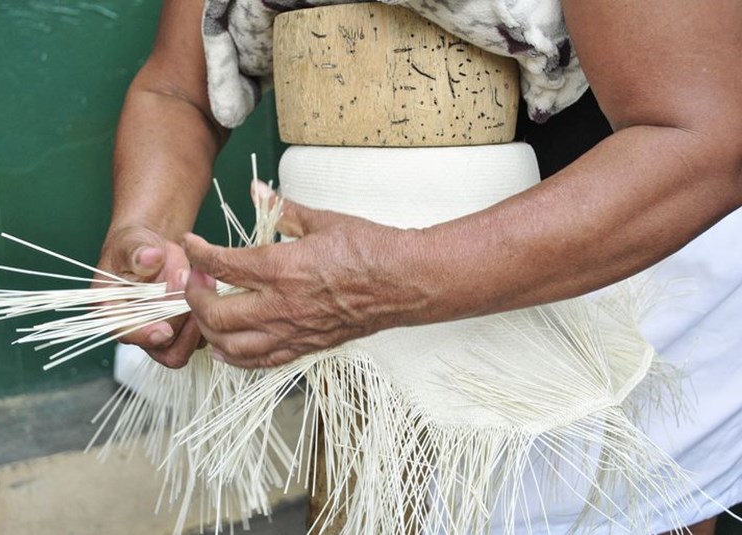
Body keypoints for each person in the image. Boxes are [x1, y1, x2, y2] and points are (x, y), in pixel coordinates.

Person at [96, 0, 742, 533]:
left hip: (612, 288)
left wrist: (392, 280)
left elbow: (700, 140)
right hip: (345, 328)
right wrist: (143, 230)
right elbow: (176, 89)